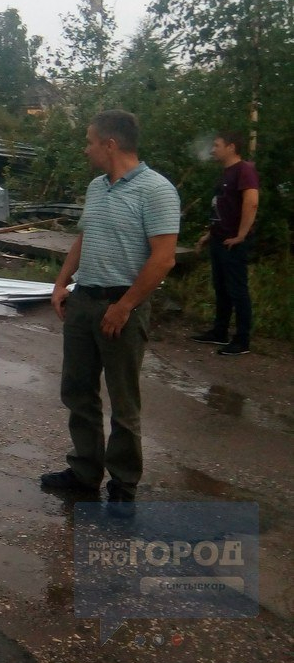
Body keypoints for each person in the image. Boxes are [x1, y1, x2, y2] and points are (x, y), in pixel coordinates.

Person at [42, 110, 180, 517]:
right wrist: (61, 282)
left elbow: (163, 259)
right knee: (78, 391)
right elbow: (84, 237)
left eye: (89, 141)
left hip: (123, 305)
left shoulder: (156, 191)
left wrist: (124, 307)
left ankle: (123, 483)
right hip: (84, 301)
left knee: (123, 400)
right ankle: (84, 471)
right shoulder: (97, 188)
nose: (86, 149)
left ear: (110, 144)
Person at [190, 131, 259, 356]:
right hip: (219, 240)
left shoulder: (244, 170)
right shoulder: (225, 173)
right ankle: (219, 332)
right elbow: (221, 209)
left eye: (217, 145)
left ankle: (242, 340)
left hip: (233, 242)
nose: (212, 150)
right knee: (221, 289)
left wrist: (241, 235)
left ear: (231, 147)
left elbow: (251, 203)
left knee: (238, 290)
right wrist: (209, 235)